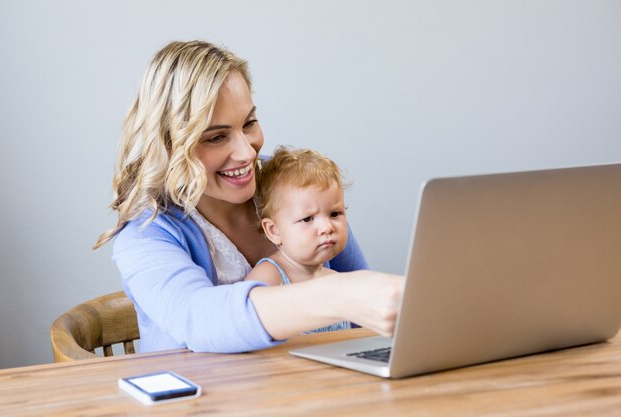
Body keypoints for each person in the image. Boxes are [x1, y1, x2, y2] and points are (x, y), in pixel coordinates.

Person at [95, 40, 402, 354]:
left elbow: (363, 300)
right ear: (170, 146)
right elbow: (198, 320)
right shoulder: (147, 235)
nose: (246, 153)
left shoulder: (289, 185)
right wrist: (336, 296)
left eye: (249, 124)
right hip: (201, 398)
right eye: (216, 137)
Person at [246, 146, 351, 333]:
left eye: (335, 214)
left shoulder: (336, 281)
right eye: (308, 219)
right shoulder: (269, 277)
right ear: (274, 231)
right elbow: (247, 329)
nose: (327, 227)